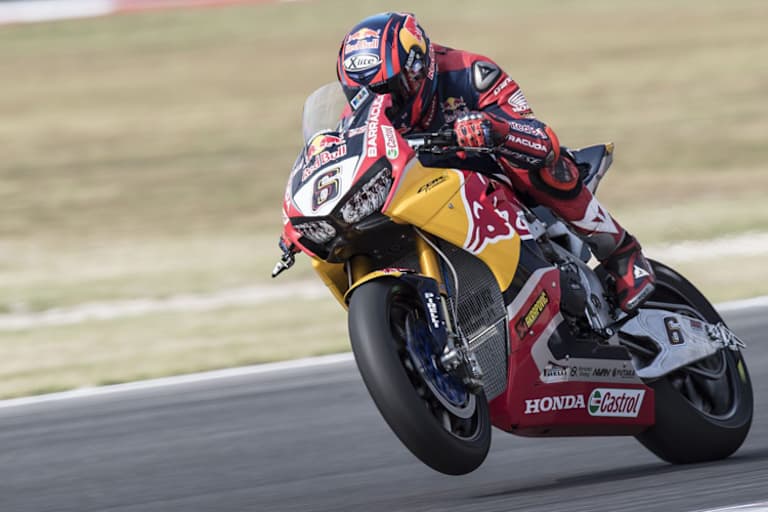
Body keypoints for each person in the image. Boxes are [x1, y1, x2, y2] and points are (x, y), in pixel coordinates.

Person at [336, 11, 655, 312]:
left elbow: (542, 140)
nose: (383, 101)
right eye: (363, 93)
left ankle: (622, 254)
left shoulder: (472, 74)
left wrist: (494, 129)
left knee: (544, 166)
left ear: (420, 67)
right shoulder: (356, 117)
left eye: (392, 88)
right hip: (427, 193)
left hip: (495, 179)